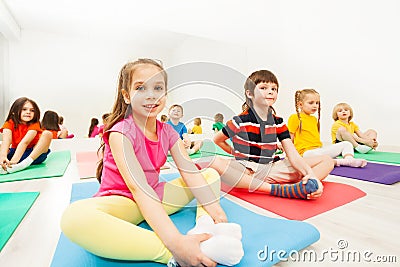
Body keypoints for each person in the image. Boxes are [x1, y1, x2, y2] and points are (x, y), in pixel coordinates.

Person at [60, 59, 243, 267]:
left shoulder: (167, 131)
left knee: (208, 175)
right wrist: (176, 244)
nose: (151, 94)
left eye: (158, 88)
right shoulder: (121, 132)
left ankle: (204, 230)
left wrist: (218, 214)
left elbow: (190, 171)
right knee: (74, 218)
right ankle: (175, 253)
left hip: (157, 196)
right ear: (126, 96)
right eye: (140, 87)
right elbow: (138, 190)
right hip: (125, 202)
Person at [210, 70, 334, 200]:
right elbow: (217, 140)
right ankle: (277, 190)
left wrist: (311, 175)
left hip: (272, 169)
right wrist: (237, 154)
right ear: (250, 93)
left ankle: (303, 187)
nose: (270, 91)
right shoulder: (239, 121)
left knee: (327, 161)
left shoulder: (278, 122)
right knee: (215, 162)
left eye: (274, 89)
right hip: (247, 169)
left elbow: (292, 154)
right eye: (263, 88)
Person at [288, 89, 367, 168]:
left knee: (347, 144)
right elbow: (289, 138)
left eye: (317, 103)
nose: (315, 105)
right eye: (311, 103)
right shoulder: (295, 117)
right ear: (300, 104)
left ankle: (349, 159)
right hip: (305, 153)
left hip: (319, 150)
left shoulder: (314, 119)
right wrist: (288, 155)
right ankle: (336, 161)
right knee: (311, 155)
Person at [0, 97, 53, 174]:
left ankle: (24, 164)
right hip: (14, 152)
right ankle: (3, 164)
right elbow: (6, 141)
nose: (28, 112)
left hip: (33, 155)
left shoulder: (35, 124)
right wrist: (3, 156)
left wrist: (14, 162)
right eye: (24, 109)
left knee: (47, 134)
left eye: (32, 110)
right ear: (14, 112)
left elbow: (25, 142)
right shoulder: (9, 123)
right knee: (2, 145)